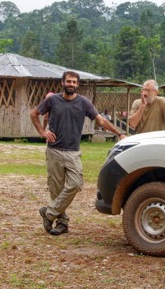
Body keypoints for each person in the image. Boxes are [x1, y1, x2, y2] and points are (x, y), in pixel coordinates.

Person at [30, 71, 127, 235]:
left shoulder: (84, 103)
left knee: (75, 184)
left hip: (73, 152)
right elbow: (34, 114)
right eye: (68, 81)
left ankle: (49, 213)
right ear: (62, 82)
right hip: (54, 150)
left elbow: (101, 120)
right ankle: (62, 223)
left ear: (78, 84)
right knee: (56, 189)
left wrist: (119, 133)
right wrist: (42, 131)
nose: (71, 84)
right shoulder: (52, 100)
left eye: (74, 82)